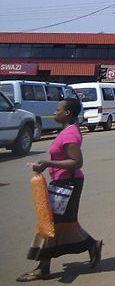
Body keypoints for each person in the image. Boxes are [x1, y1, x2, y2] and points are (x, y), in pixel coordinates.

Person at [17, 98, 102, 282]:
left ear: (67, 113)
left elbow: (76, 162)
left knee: (50, 225)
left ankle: (43, 268)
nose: (55, 112)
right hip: (62, 183)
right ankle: (93, 245)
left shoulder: (70, 134)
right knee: (62, 224)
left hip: (68, 185)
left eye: (58, 109)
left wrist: (48, 163)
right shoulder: (66, 131)